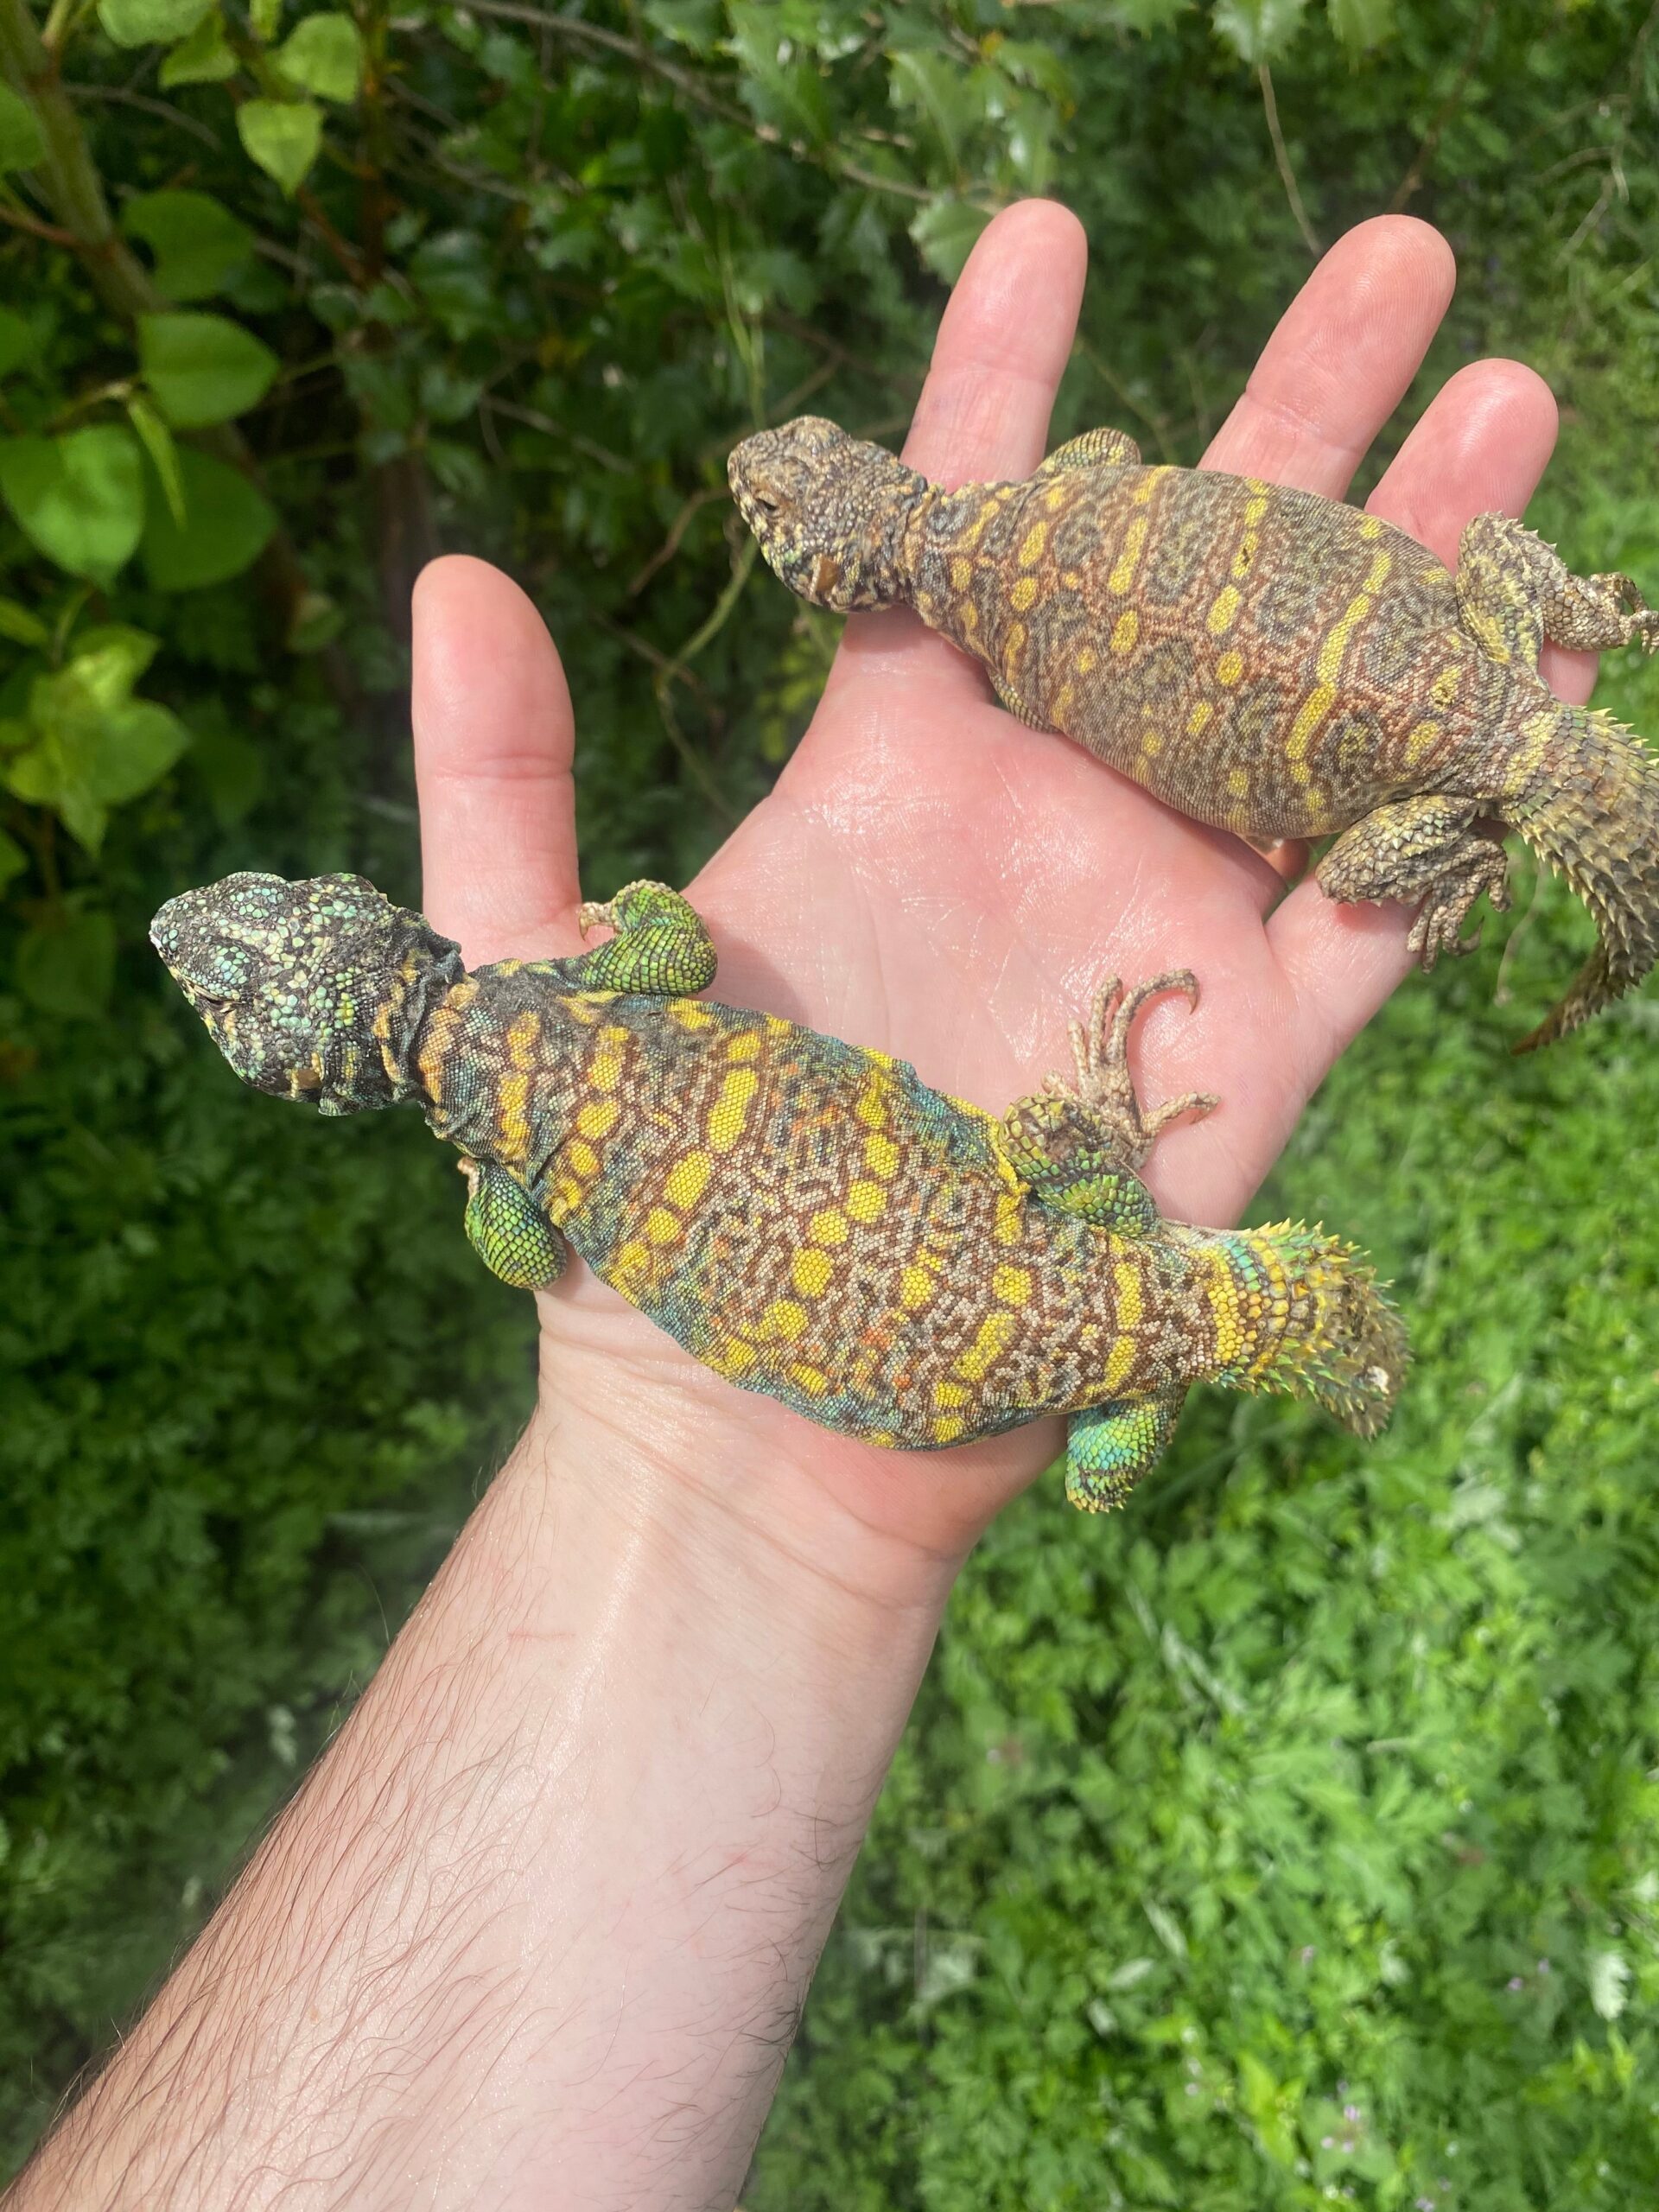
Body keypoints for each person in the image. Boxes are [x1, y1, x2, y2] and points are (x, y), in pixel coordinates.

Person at [10, 200, 1582, 2211]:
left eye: (244, 962)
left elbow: (526, 1247)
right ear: (361, 926)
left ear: (326, 1060)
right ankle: (1216, 1305)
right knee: (1090, 1348)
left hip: (1024, 1324)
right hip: (1032, 1232)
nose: (210, 942)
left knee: (1100, 1441)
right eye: (256, 962)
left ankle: (1197, 1331)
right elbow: (666, 930)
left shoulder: (511, 1191)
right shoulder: (599, 986)